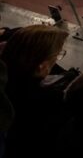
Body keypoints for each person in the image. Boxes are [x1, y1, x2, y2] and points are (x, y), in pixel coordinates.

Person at [2, 25, 75, 157]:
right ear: (42, 67)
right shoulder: (50, 100)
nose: (58, 58)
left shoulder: (6, 75)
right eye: (58, 54)